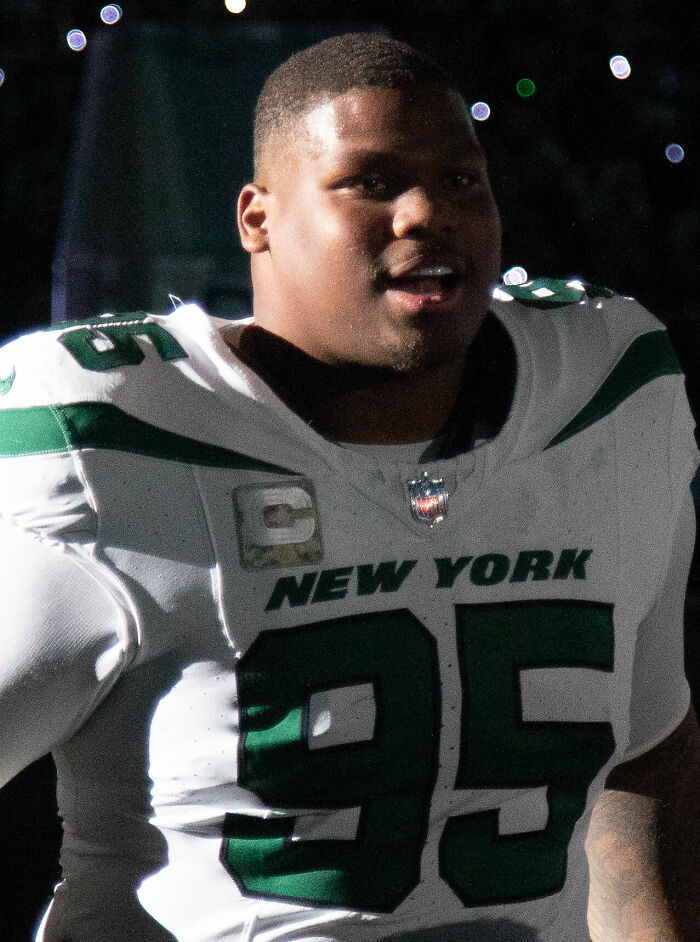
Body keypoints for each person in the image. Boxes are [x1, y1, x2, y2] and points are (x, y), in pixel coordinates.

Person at [0, 31, 699, 942]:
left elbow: (648, 753)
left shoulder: (608, 394)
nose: (428, 213)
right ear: (257, 219)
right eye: (371, 182)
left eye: (461, 179)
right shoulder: (108, 435)